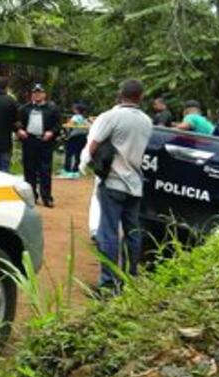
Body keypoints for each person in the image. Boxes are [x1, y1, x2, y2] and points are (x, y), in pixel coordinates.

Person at [85, 79, 153, 294]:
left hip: (113, 183)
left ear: (120, 94)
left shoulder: (112, 117)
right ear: (140, 97)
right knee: (133, 231)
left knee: (108, 233)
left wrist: (91, 164)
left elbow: (93, 145)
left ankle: (108, 283)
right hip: (134, 184)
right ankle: (130, 277)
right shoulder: (147, 121)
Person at [16, 83, 61, 207]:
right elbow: (17, 122)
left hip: (45, 142)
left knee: (45, 170)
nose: (37, 95)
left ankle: (47, 197)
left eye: (39, 93)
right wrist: (19, 130)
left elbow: (58, 124)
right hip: (29, 141)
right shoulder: (25, 108)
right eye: (35, 93)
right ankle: (31, 196)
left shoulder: (52, 108)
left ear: (44, 94)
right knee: (29, 170)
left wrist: (51, 132)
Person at [61, 103, 89, 176]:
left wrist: (67, 125)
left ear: (76, 110)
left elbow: (70, 125)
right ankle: (76, 170)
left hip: (74, 137)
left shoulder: (76, 117)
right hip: (83, 137)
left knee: (69, 154)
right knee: (78, 154)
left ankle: (67, 170)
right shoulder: (85, 118)